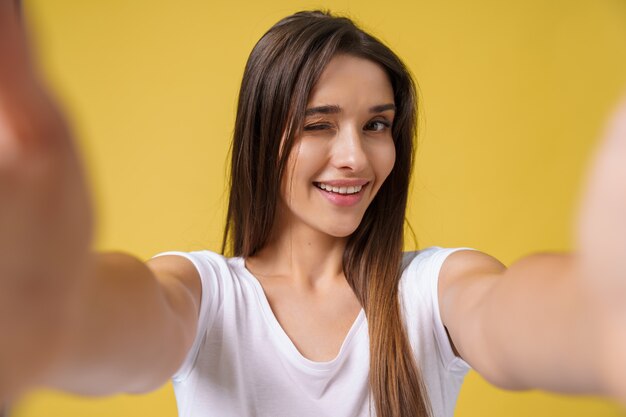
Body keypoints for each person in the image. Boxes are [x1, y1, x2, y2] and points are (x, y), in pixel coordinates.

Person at [0, 3, 625, 417]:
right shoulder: (207, 295)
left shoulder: (431, 293)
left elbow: (516, 315)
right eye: (318, 125)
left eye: (377, 125)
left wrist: (602, 313)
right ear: (262, 133)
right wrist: (40, 308)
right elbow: (122, 322)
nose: (355, 156)